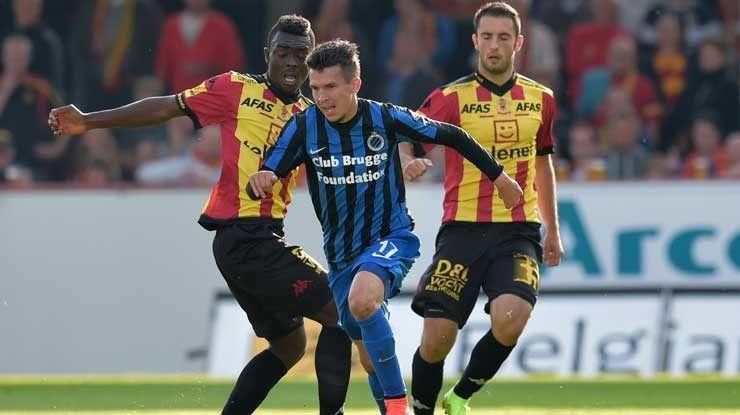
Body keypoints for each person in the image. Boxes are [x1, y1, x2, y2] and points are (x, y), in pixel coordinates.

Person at [47, 15, 351, 415]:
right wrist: (89, 121)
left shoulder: (312, 117)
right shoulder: (235, 88)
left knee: (289, 345)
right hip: (246, 238)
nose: (292, 61)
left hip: (254, 242)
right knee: (340, 311)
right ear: (267, 54)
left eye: (301, 54)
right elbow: (165, 107)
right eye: (283, 52)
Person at [248, 39, 523, 415]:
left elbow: (451, 135)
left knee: (363, 299)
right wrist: (262, 177)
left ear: (354, 84)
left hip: (392, 237)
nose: (322, 97)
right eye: (316, 88)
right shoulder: (303, 126)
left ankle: (397, 407)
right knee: (369, 355)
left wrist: (500, 178)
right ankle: (389, 404)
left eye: (331, 87)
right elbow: (269, 168)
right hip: (341, 257)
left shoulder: (385, 117)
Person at [399, 3, 564, 414]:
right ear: (475, 41)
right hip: (463, 229)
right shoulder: (450, 98)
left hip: (518, 230)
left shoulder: (541, 99)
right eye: (487, 37)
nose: (494, 45)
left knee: (513, 316)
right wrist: (407, 161)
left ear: (518, 43)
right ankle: (422, 409)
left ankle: (460, 397)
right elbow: (406, 136)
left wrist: (553, 231)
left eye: (503, 37)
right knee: (437, 338)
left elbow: (543, 164)